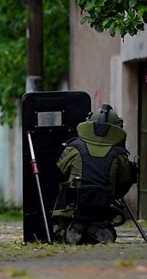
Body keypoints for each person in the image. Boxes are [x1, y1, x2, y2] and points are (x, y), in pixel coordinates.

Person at [52, 104, 136, 244]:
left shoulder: (74, 147)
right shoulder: (119, 155)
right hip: (102, 211)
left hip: (73, 210)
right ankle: (93, 228)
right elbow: (123, 186)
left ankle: (75, 228)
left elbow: (59, 173)